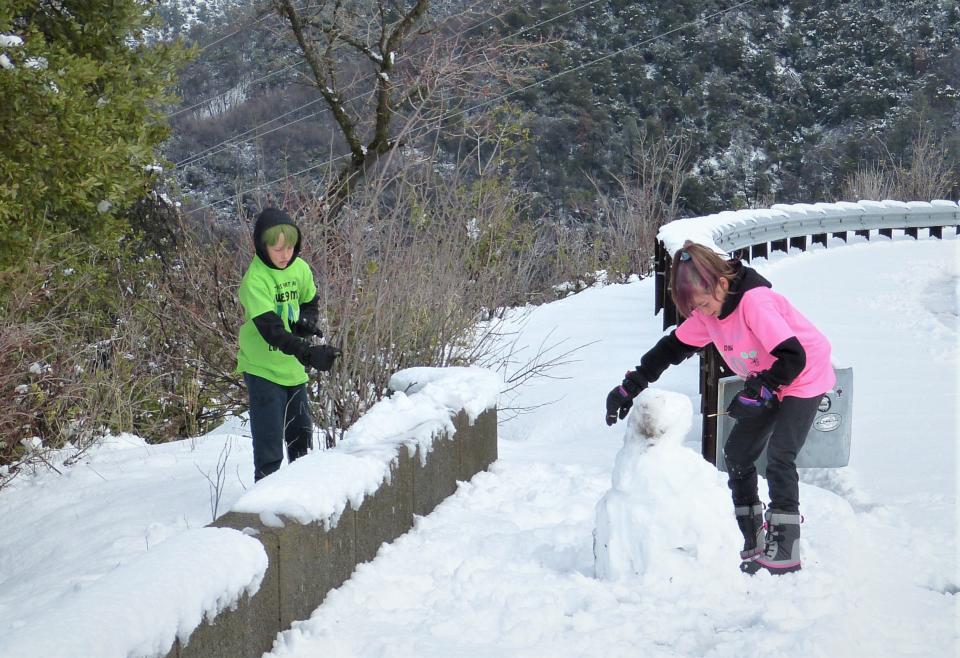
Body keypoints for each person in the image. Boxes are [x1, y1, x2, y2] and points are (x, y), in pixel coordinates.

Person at [604, 240, 834, 575]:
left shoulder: (754, 303)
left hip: (802, 374)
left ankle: (785, 549)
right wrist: (631, 385)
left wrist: (762, 388)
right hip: (768, 378)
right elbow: (671, 348)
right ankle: (752, 538)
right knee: (738, 453)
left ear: (723, 283)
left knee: (780, 455)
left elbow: (793, 357)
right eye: (697, 307)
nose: (704, 312)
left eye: (707, 303)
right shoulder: (708, 314)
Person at [237, 207, 341, 482]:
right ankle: (266, 510)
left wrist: (306, 321)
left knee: (301, 441)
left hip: (293, 369)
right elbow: (271, 330)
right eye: (278, 249)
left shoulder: (300, 268)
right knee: (270, 447)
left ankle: (301, 498)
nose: (285, 255)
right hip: (262, 369)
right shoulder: (255, 280)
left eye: (291, 248)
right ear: (263, 246)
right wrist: (307, 352)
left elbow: (310, 301)